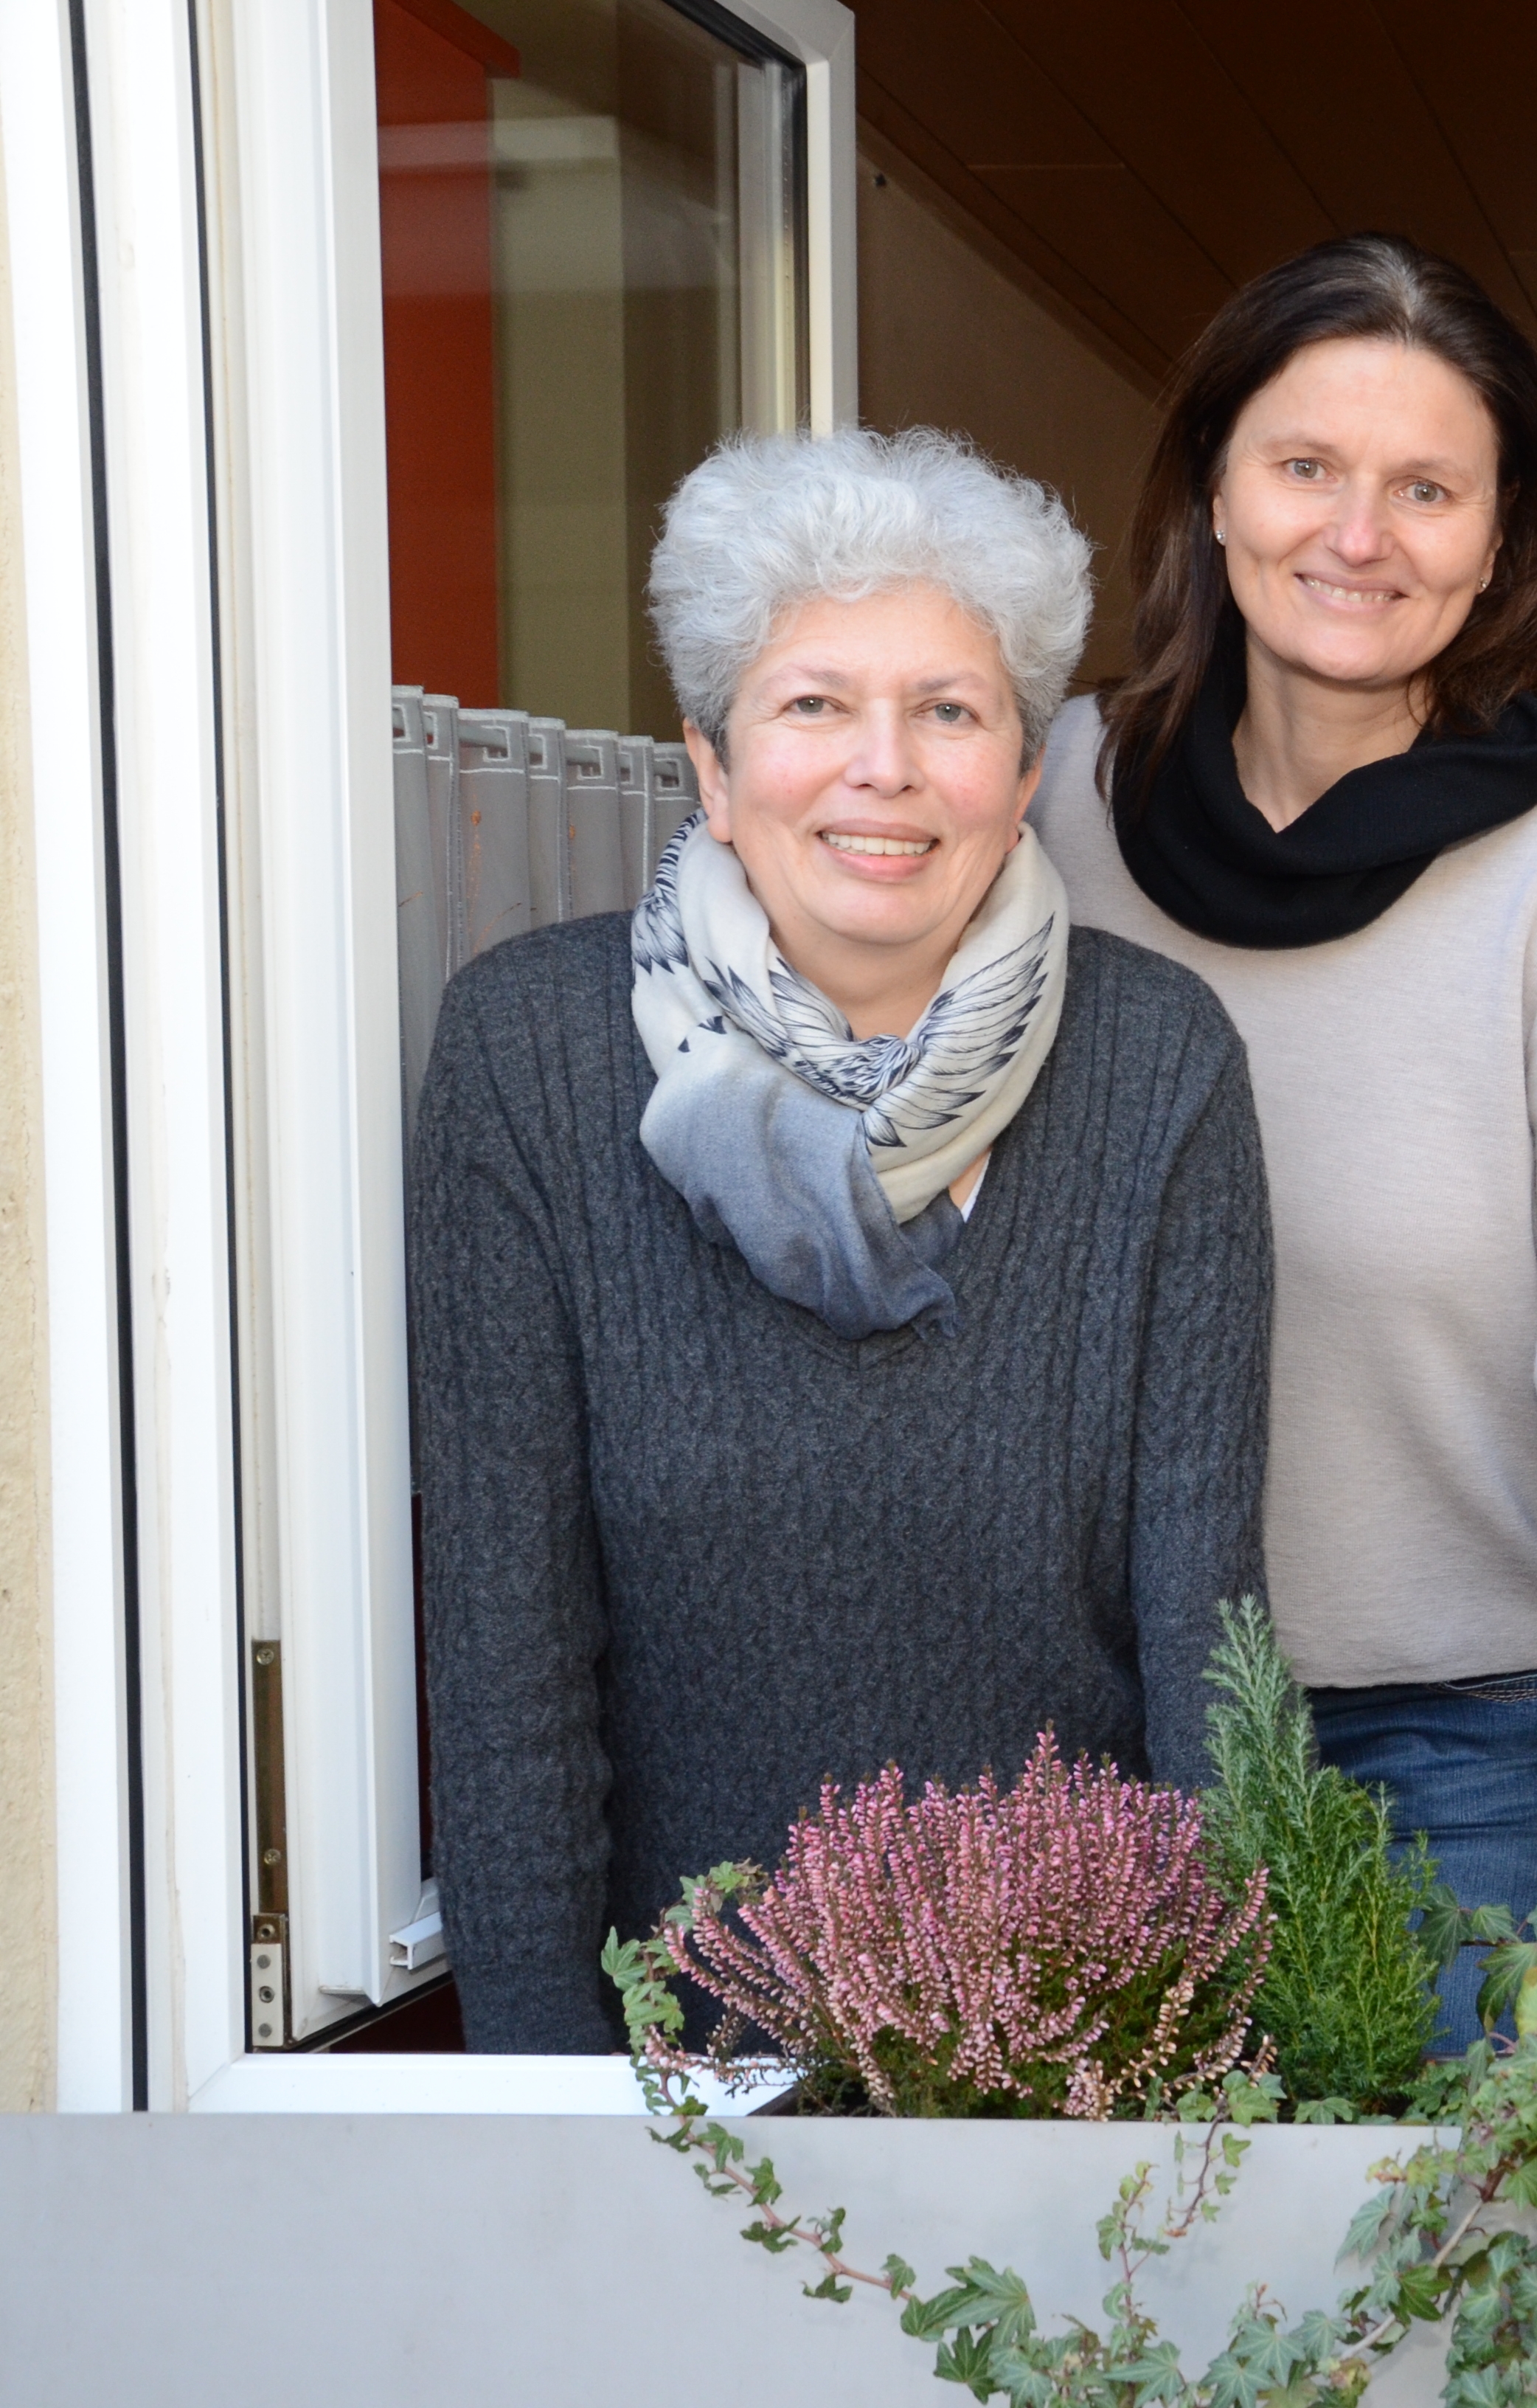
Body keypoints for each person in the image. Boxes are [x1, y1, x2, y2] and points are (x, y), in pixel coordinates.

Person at [411, 427, 1272, 2052]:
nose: (885, 766)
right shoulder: (527, 1055)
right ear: (715, 769)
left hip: (1064, 2064)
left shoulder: (1160, 1064)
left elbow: (1205, 1644)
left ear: (1021, 780)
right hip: (678, 2074)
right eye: (814, 705)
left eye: (950, 712)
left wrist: (1198, 2078)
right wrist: (548, 2121)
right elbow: (508, 1663)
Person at [1029, 235, 1537, 2025]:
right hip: (1098, 1727)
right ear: (1212, 489)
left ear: (1502, 540)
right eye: (1306, 466)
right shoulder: (1045, 810)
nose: (1359, 534)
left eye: (1427, 488)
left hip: (1471, 1750)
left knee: (1463, 2294)